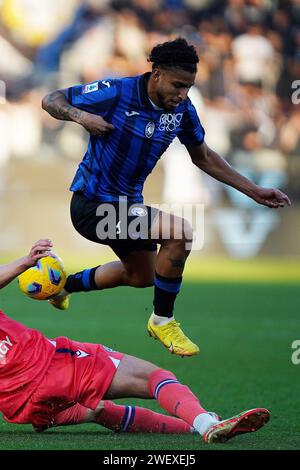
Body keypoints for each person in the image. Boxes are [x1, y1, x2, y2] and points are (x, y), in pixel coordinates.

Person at [41, 38, 291, 357]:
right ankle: (162, 320)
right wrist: (81, 117)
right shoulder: (116, 92)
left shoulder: (182, 109)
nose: (182, 93)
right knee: (180, 232)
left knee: (142, 275)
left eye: (188, 86)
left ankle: (62, 287)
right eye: (177, 85)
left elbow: (203, 156)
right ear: (156, 74)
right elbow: (51, 99)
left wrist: (253, 190)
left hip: (127, 206)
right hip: (93, 206)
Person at [0, 240, 269, 443]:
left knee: (98, 410)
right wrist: (26, 262)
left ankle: (195, 425)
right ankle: (204, 423)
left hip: (18, 403)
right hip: (50, 365)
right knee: (156, 377)